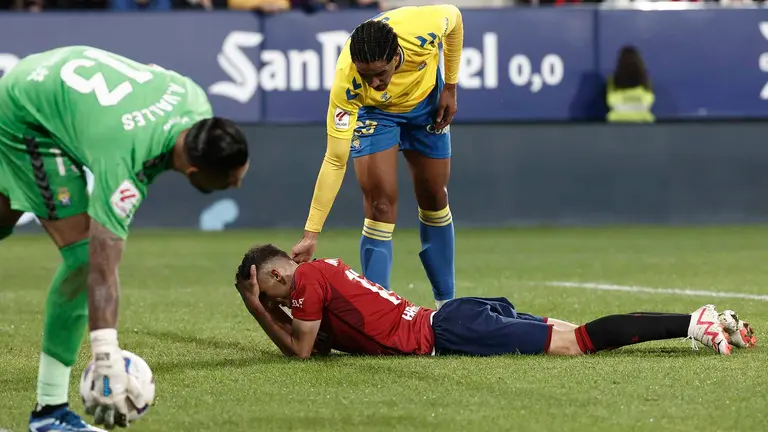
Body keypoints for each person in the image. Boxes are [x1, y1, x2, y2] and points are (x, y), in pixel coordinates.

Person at [0, 46, 250, 431]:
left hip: (52, 80)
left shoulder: (195, 102)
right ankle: (49, 414)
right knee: (83, 257)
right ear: (195, 170)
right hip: (28, 114)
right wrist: (105, 354)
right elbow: (102, 265)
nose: (237, 183)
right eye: (230, 179)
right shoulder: (125, 159)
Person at [235, 244, 757, 359]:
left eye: (273, 288)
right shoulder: (320, 271)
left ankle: (695, 321)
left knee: (576, 343)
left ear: (279, 274)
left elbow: (302, 354)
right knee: (575, 332)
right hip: (456, 315)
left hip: (450, 331)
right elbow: (321, 347)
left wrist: (258, 308)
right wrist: (272, 304)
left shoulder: (305, 281)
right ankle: (700, 320)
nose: (281, 299)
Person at [290, 5, 464, 310]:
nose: (374, 83)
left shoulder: (421, 29)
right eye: (365, 75)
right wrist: (311, 233)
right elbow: (334, 159)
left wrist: (450, 86)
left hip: (427, 103)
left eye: (380, 74)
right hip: (376, 115)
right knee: (379, 206)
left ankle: (446, 305)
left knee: (435, 198)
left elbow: (456, 19)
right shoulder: (347, 82)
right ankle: (380, 314)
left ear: (396, 56)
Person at [606, 45, 655, 123]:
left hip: (616, 124)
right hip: (644, 123)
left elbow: (610, 100)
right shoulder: (646, 79)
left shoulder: (612, 80)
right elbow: (649, 99)